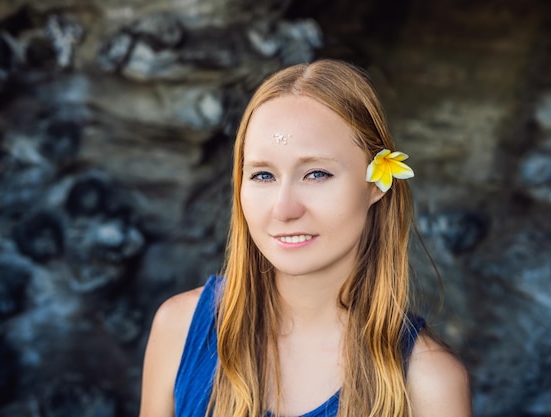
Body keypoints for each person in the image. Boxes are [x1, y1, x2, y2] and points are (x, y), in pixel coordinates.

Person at [138, 59, 472, 417]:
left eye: (316, 174)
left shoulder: (428, 382)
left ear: (376, 183)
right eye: (263, 176)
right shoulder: (181, 329)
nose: (284, 209)